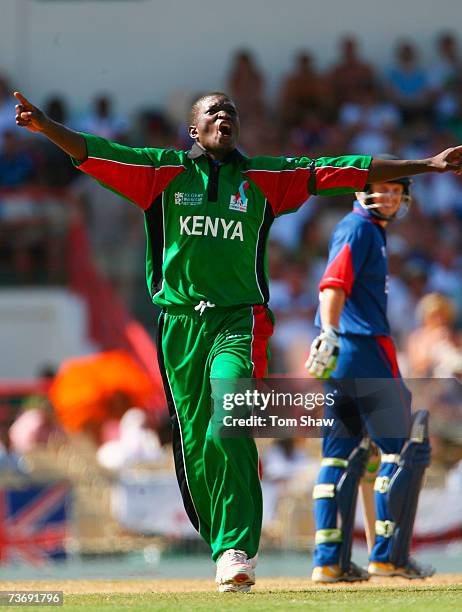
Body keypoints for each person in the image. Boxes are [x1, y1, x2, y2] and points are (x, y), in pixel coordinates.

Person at [14, 90, 462, 592]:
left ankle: (237, 548)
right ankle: (221, 542)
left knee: (228, 419)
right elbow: (92, 151)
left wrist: (426, 163)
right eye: (213, 111)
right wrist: (47, 124)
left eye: (231, 111)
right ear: (194, 129)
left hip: (239, 320)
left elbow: (343, 168)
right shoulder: (160, 172)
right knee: (196, 440)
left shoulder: (263, 178)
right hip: (180, 325)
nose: (224, 116)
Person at [306, 162, 435, 582]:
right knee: (402, 451)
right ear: (361, 191)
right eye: (382, 189)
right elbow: (333, 283)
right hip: (362, 350)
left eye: (397, 191)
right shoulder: (359, 228)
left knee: (340, 454)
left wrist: (331, 338)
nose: (390, 197)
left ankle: (329, 560)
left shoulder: (369, 230)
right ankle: (388, 556)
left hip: (346, 356)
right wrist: (329, 331)